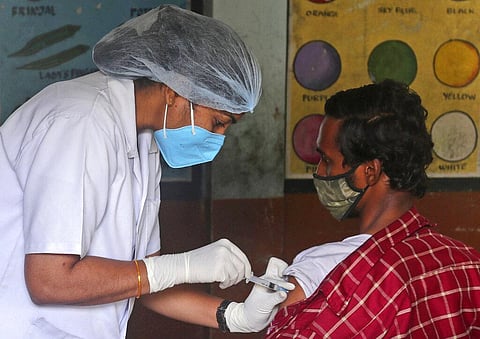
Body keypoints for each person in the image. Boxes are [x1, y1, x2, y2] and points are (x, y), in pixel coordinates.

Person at [0, 5, 292, 338]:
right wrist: (182, 266)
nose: (220, 138)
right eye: (219, 122)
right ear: (176, 90)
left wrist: (232, 315)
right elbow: (49, 281)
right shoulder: (82, 121)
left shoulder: (144, 138)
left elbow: (143, 276)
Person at [267, 80, 480, 337]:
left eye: (326, 160)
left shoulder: (337, 274)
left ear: (369, 171)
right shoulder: (468, 263)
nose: (320, 172)